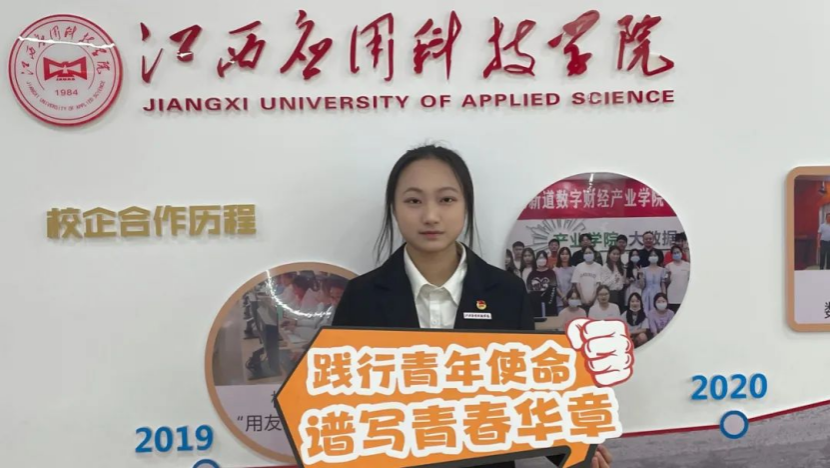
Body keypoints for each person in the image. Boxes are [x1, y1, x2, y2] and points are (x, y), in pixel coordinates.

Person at [331, 144, 613, 468]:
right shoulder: (361, 296)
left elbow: (529, 395)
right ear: (394, 208)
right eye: (414, 201)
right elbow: (341, 405)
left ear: (466, 205)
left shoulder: (507, 293)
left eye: (446, 199)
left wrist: (576, 446)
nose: (431, 216)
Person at [527, 251, 558, 318]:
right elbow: (529, 290)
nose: (541, 260)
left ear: (546, 259)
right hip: (535, 305)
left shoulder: (551, 273)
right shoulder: (532, 274)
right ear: (536, 260)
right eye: (539, 258)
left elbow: (553, 288)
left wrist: (548, 302)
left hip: (549, 305)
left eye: (543, 258)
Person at [664, 245, 691, 312]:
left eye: (678, 252)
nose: (676, 254)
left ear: (681, 253)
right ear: (672, 255)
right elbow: (666, 282)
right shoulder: (668, 266)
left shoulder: (688, 265)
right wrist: (668, 275)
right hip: (672, 296)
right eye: (674, 253)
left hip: (685, 295)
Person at [639, 250, 666, 315]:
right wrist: (641, 276)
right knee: (645, 312)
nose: (653, 257)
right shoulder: (644, 270)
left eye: (655, 255)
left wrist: (664, 296)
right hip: (646, 294)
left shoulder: (662, 270)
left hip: (658, 292)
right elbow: (642, 286)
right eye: (651, 255)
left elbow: (663, 284)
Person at [601, 246, 626, 311]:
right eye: (614, 254)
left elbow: (622, 282)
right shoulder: (605, 267)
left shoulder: (620, 266)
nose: (616, 256)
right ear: (609, 254)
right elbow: (604, 283)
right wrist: (614, 278)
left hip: (620, 293)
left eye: (618, 254)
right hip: (611, 294)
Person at [554, 247, 575, 313]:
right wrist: (562, 296)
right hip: (559, 301)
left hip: (572, 300)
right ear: (559, 256)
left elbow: (574, 285)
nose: (564, 256)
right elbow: (555, 286)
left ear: (570, 256)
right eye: (562, 254)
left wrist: (568, 297)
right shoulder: (555, 270)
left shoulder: (574, 269)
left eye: (567, 254)